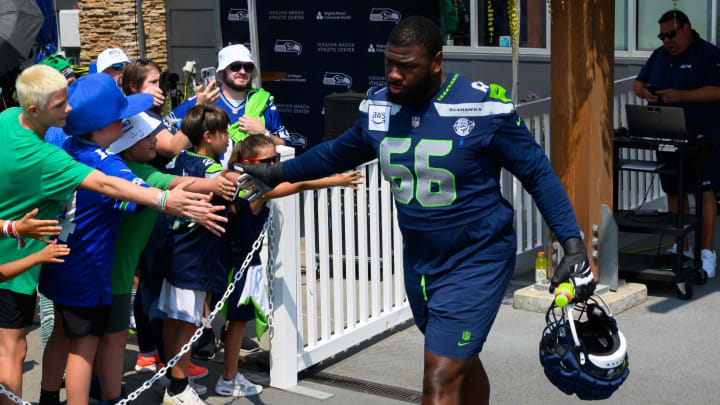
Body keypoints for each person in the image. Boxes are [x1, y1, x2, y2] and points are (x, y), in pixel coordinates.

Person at [239, 16, 594, 405]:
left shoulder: (482, 106)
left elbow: (537, 173)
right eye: (389, 63)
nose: (394, 74)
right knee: (460, 360)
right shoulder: (379, 107)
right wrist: (277, 173)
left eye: (407, 67)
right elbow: (337, 153)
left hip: (477, 258)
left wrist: (572, 244)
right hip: (421, 261)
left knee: (439, 379)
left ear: (436, 62)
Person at [0, 64, 212, 404]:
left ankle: (48, 396)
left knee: (60, 336)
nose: (127, 123)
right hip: (89, 269)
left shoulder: (61, 143)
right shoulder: (108, 163)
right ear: (107, 125)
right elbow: (123, 189)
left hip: (58, 260)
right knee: (85, 348)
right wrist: (166, 198)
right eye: (122, 117)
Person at [216, 135, 361, 397]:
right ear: (248, 163)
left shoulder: (237, 182)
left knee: (232, 325)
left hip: (234, 266)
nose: (274, 167)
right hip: (238, 269)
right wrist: (336, 180)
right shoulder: (253, 190)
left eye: (276, 161)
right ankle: (227, 378)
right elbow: (298, 184)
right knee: (236, 326)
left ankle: (227, 373)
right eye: (268, 162)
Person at [633, 9, 720, 278]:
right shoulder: (659, 56)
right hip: (668, 135)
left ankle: (706, 253)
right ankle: (680, 248)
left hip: (703, 135)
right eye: (662, 36)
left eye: (671, 34)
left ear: (686, 28)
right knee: (674, 191)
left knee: (705, 191)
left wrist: (682, 95)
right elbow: (638, 83)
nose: (667, 40)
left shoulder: (708, 53)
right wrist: (645, 91)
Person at [160, 104, 234, 403]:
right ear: (208, 136)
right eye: (224, 132)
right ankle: (177, 388)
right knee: (188, 321)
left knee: (173, 318)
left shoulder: (177, 160)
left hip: (174, 248)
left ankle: (173, 377)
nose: (228, 138)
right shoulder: (216, 172)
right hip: (197, 253)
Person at [172, 44, 291, 167]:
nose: (243, 71)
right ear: (222, 72)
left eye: (248, 67)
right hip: (210, 179)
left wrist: (263, 133)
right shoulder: (200, 100)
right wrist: (199, 108)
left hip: (254, 180)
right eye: (235, 67)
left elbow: (286, 144)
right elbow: (172, 144)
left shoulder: (263, 102)